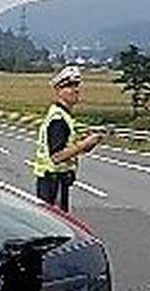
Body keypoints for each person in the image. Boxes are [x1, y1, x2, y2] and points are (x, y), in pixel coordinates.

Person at [30, 66, 103, 211]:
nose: (75, 90)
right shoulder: (58, 119)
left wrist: (87, 144)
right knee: (57, 224)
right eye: (69, 86)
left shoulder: (64, 116)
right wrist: (83, 145)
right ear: (58, 91)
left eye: (76, 86)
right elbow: (57, 156)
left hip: (57, 180)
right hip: (52, 181)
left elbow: (67, 148)